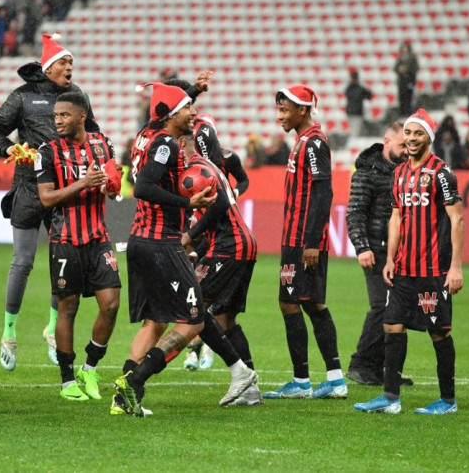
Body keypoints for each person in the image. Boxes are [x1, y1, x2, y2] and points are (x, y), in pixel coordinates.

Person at [112, 82, 257, 417]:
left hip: (140, 239)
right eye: (187, 108)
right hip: (162, 242)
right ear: (170, 115)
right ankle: (134, 382)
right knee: (193, 320)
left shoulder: (144, 135)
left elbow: (165, 103)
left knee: (156, 321)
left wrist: (193, 89)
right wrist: (186, 201)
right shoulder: (165, 142)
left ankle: (123, 399)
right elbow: (144, 186)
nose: (193, 113)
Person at [0, 34, 100, 370]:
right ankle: (8, 333)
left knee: (61, 264)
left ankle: (51, 329)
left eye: (72, 63)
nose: (70, 67)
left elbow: (92, 135)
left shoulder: (78, 98)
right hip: (28, 190)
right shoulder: (22, 97)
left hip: (63, 192)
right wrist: (10, 149)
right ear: (48, 67)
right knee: (22, 262)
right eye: (64, 62)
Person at [355, 109, 464, 415]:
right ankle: (390, 397)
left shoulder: (442, 173)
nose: (412, 138)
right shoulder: (400, 172)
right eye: (408, 133)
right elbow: (396, 217)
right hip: (403, 268)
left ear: (429, 137)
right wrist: (389, 258)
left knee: (439, 331)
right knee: (391, 324)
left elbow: (458, 221)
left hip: (433, 271)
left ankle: (448, 400)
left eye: (419, 133)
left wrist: (455, 267)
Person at [36, 92, 122, 401]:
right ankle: (67, 381)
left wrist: (112, 185)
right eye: (56, 116)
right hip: (64, 241)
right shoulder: (47, 152)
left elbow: (113, 189)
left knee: (111, 304)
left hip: (98, 238)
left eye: (64, 115)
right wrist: (81, 184)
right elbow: (46, 198)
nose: (58, 120)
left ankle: (90, 367)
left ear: (81, 117)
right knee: (67, 308)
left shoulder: (102, 144)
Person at [263, 85, 347, 400]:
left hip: (303, 241)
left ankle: (303, 382)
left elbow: (324, 192)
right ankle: (333, 379)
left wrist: (312, 241)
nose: (279, 116)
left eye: (285, 110)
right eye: (278, 109)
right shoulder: (302, 142)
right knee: (310, 303)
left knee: (291, 303)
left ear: (303, 110)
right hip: (296, 238)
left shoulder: (313, 144)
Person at [178, 134, 263, 405]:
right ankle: (250, 389)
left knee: (194, 308)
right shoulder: (208, 166)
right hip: (241, 243)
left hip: (230, 246)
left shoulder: (196, 168)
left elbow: (219, 206)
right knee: (225, 318)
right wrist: (196, 249)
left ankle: (240, 373)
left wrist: (188, 236)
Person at [346, 122, 414, 386]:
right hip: (375, 249)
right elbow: (355, 212)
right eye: (402, 145)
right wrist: (362, 246)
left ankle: (383, 368)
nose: (407, 151)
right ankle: (361, 364)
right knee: (382, 306)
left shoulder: (406, 171)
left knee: (395, 309)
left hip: (399, 252)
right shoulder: (367, 172)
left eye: (409, 146)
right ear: (387, 140)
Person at [393, 40, 419, 117]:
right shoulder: (400, 58)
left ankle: (408, 113)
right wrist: (400, 69)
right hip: (402, 82)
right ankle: (402, 113)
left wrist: (407, 69)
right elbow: (395, 68)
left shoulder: (412, 58)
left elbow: (415, 68)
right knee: (402, 98)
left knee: (408, 98)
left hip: (409, 80)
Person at [345, 69, 372, 138]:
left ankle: (352, 145)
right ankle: (351, 145)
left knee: (355, 132)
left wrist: (369, 91)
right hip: (352, 113)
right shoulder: (351, 88)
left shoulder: (358, 88)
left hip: (357, 113)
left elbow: (369, 97)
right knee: (353, 132)